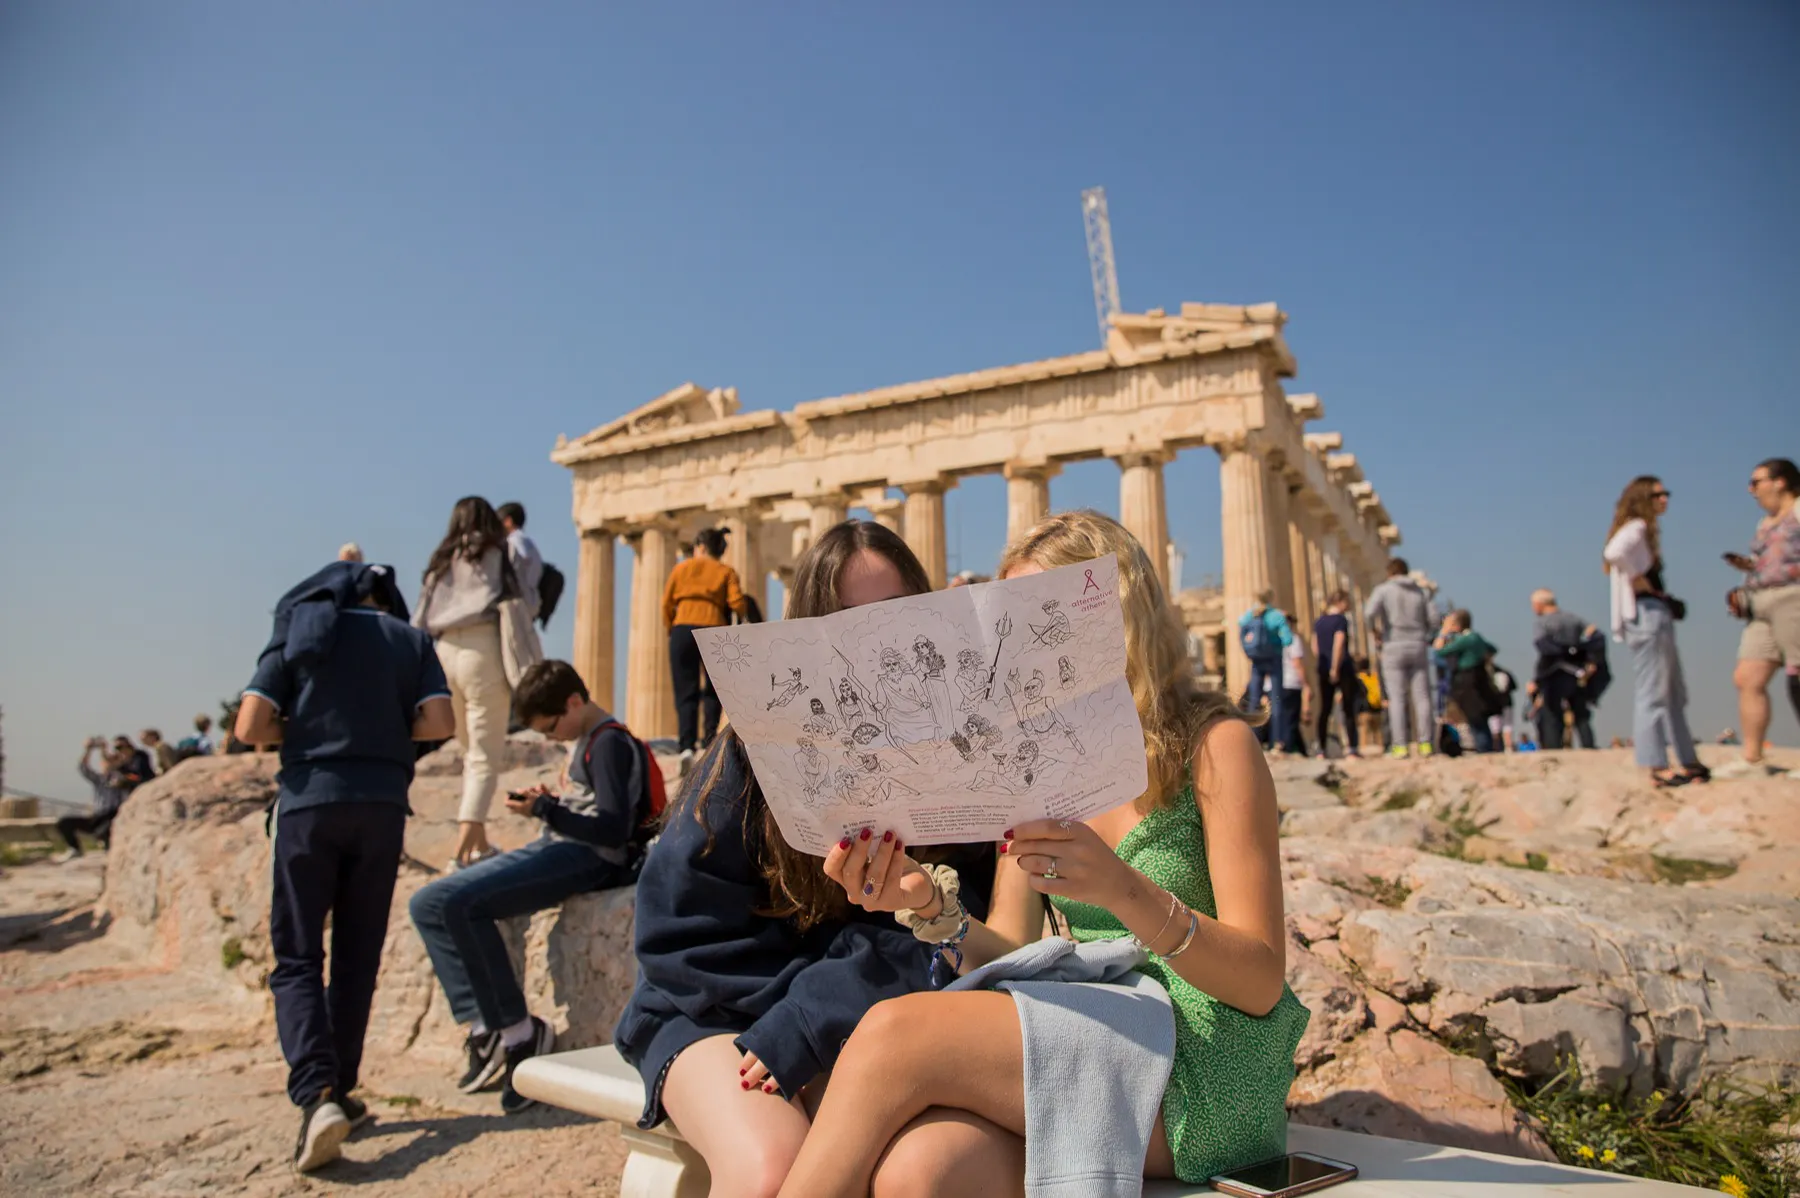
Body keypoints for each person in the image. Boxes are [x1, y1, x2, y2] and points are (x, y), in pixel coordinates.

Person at [775, 509, 1309, 1196]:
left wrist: (1125, 892)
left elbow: (1261, 980)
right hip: (1102, 1033)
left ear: (1112, 611)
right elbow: (1011, 948)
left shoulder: (1215, 746)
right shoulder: (1031, 759)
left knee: (891, 1034)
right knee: (921, 1171)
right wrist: (929, 905)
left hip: (1208, 1066)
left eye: (1034, 614)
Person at [614, 521, 998, 1198]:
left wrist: (818, 1012)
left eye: (895, 614)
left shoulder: (964, 760)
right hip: (714, 1009)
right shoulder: (753, 751)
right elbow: (679, 937)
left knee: (897, 1165)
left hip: (855, 1020)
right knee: (772, 1167)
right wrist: (798, 1015)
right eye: (846, 622)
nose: (874, 643)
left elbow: (961, 935)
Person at [234, 559, 454, 1172]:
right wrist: (381, 732)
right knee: (358, 955)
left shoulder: (302, 628)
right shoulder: (410, 640)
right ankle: (343, 1088)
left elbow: (250, 725)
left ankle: (316, 1093)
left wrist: (308, 729)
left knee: (298, 954)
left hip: (310, 802)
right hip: (382, 805)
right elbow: (440, 721)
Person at [410, 660, 652, 1114]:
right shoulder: (587, 740)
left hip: (589, 860)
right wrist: (552, 805)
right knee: (427, 903)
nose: (551, 738)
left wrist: (546, 811)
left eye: (550, 728)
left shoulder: (609, 743)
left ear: (574, 702)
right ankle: (485, 1025)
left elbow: (613, 829)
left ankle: (520, 1034)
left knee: (460, 903)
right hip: (562, 847)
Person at [414, 497, 534, 869]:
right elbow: (527, 598)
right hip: (483, 649)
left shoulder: (441, 559)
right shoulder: (500, 553)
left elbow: (420, 616)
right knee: (484, 755)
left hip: (443, 652)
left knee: (469, 752)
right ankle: (462, 851)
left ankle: (479, 844)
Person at [1604, 476, 1707, 788]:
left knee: (1673, 692)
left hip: (1653, 612)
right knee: (1653, 692)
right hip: (1646, 614)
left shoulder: (1642, 531)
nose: (1665, 500)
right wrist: (1637, 578)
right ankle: (1655, 764)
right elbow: (1614, 552)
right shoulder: (1636, 527)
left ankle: (1687, 759)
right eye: (1659, 495)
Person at [1720, 458, 1800, 778]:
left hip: (1793, 597)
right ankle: (1752, 758)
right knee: (1747, 677)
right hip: (1761, 602)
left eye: (1756, 482)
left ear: (1780, 482)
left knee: (1798, 674)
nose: (1751, 490)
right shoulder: (1765, 523)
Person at [661, 526, 751, 772]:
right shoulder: (725, 571)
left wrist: (672, 628)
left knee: (685, 691)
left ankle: (686, 746)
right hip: (713, 629)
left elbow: (666, 603)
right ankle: (709, 742)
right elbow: (737, 602)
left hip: (682, 629)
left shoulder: (681, 569)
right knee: (713, 690)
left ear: (700, 547)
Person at [1365, 558, 1434, 758]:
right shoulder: (1421, 592)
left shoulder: (1384, 590)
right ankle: (1425, 744)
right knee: (1422, 696)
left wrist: (1375, 632)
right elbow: (1434, 619)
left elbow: (1369, 613)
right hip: (1417, 643)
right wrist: (1425, 633)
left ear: (1390, 573)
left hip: (1393, 643)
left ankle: (1400, 745)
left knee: (1396, 698)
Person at [1529, 589, 1597, 750]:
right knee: (1580, 713)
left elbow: (1543, 646)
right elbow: (1593, 634)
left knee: (1552, 713)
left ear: (1539, 604)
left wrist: (1537, 678)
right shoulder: (1573, 619)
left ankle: (1554, 748)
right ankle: (1588, 746)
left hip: (1552, 672)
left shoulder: (1542, 623)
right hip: (1576, 670)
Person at [51, 738, 133, 862]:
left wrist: (106, 751)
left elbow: (126, 770)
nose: (106, 765)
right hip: (97, 815)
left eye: (109, 762)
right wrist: (88, 750)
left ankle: (110, 852)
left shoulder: (121, 777)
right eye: (104, 762)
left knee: (104, 830)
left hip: (113, 814)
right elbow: (83, 768)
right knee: (64, 822)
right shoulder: (99, 779)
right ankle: (75, 849)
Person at [1431, 610, 1500, 753]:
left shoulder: (1465, 640)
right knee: (1479, 719)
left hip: (1467, 682)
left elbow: (1439, 651)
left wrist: (1443, 632)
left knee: (1475, 719)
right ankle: (1485, 747)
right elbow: (1492, 649)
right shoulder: (1476, 637)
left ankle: (1483, 749)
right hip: (1477, 680)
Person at [1236, 591, 1292, 751]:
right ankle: (1277, 741)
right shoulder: (1276, 616)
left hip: (1257, 660)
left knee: (1254, 701)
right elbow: (1288, 640)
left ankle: (1253, 740)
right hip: (1274, 658)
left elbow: (1240, 625)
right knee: (1276, 700)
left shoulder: (1250, 615)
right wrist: (1277, 641)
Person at [1312, 591, 1359, 759]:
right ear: (1340, 602)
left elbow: (1315, 646)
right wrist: (1335, 668)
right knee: (1348, 708)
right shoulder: (1340, 620)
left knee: (1325, 709)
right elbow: (1339, 642)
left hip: (1323, 668)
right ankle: (1352, 748)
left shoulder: (1319, 621)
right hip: (1341, 667)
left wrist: (1324, 664)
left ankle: (1321, 749)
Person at [496, 502, 544, 620]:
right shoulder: (529, 543)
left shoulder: (513, 542)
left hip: (517, 604)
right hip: (530, 601)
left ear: (508, 521)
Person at [1278, 611, 1310, 754]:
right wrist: (1306, 684)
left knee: (1286, 718)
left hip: (1277, 684)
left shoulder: (1273, 639)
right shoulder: (1293, 639)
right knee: (1291, 719)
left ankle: (1301, 750)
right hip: (1292, 682)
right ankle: (1289, 749)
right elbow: (1297, 663)